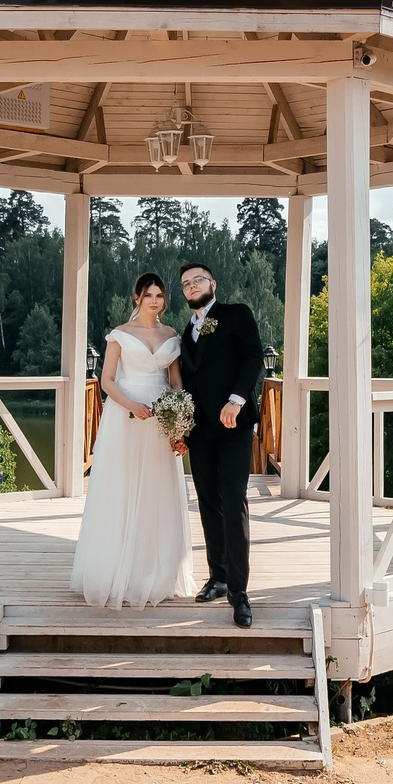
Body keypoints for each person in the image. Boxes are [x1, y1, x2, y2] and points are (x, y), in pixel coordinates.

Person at [68, 272, 195, 608]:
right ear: (137, 297)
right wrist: (133, 406)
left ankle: (156, 572)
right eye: (149, 295)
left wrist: (179, 420)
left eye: (160, 295)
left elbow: (176, 380)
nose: (155, 300)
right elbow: (107, 381)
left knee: (157, 489)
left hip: (161, 418)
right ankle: (117, 571)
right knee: (123, 488)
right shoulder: (120, 336)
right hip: (126, 415)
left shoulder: (171, 335)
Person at [174, 261, 264, 627]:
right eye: (185, 283)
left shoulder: (236, 314)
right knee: (208, 503)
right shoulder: (185, 332)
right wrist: (180, 427)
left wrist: (237, 399)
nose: (192, 286)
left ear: (213, 283)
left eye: (198, 280)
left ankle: (240, 594)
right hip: (201, 432)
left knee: (233, 501)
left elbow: (254, 357)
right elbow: (186, 384)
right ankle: (218, 576)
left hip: (234, 426)